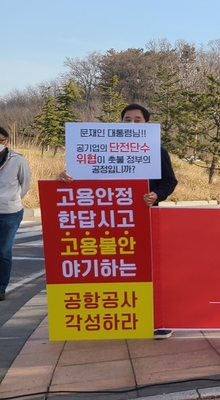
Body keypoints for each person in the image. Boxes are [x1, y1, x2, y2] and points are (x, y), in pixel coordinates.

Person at [57, 104, 178, 337]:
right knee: (116, 268)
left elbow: (169, 182)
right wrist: (64, 178)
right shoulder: (99, 149)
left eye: (138, 120)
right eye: (127, 119)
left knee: (149, 268)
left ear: (147, 124)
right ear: (120, 122)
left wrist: (157, 195)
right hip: (110, 221)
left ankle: (157, 320)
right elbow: (82, 182)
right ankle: (117, 318)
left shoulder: (156, 151)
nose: (132, 123)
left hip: (145, 217)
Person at [0, 125, 32, 302]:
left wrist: (13, 199)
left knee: (3, 251)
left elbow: (25, 184)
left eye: (1, 141)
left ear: (7, 142)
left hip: (9, 212)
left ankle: (1, 287)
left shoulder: (18, 160)